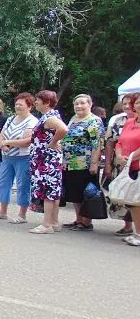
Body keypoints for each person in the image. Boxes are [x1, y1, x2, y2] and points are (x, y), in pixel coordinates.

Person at [0, 93, 39, 223]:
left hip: (24, 157)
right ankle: (3, 211)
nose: (17, 106)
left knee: (23, 185)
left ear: (29, 106)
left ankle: (22, 215)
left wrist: (8, 142)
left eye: (21, 104)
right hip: (7, 157)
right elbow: (1, 136)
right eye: (16, 104)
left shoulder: (32, 121)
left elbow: (27, 140)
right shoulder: (11, 118)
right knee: (3, 183)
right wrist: (2, 144)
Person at [60, 94, 104, 231]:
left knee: (87, 192)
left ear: (90, 105)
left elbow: (97, 144)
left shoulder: (94, 121)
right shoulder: (73, 119)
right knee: (75, 193)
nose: (78, 106)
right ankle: (78, 219)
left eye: (82, 103)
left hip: (85, 163)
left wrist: (94, 163)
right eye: (76, 104)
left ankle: (86, 222)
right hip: (70, 163)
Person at [28, 90, 69, 234]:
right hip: (46, 159)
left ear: (46, 102)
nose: (36, 102)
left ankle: (47, 225)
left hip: (46, 160)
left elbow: (63, 129)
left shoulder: (49, 118)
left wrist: (53, 142)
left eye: (38, 100)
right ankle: (53, 222)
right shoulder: (49, 116)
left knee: (47, 191)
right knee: (52, 191)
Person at [104, 94, 137, 236]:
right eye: (124, 103)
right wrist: (113, 160)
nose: (127, 106)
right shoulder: (120, 121)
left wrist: (130, 157)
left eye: (131, 103)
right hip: (121, 163)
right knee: (127, 196)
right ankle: (128, 226)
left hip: (134, 162)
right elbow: (113, 142)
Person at [115, 94, 140, 246]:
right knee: (133, 202)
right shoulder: (130, 122)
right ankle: (138, 233)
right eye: (137, 102)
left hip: (136, 164)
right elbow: (119, 142)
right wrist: (119, 156)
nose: (139, 105)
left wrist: (130, 156)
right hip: (129, 166)